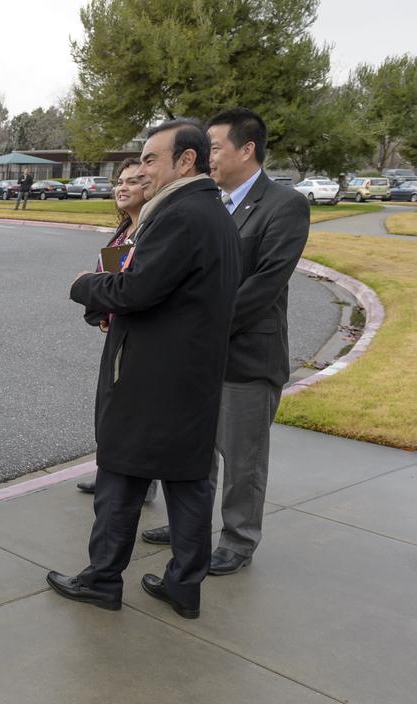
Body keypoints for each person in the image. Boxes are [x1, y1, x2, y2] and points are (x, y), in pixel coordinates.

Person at [47, 119, 240, 619]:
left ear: (186, 161)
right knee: (188, 480)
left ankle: (102, 578)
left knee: (120, 479)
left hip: (149, 377)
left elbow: (136, 289)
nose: (143, 168)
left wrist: (85, 285)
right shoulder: (210, 212)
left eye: (152, 159)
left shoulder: (180, 215)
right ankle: (184, 584)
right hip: (189, 375)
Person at [140, 109, 309, 576]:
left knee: (242, 459)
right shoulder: (208, 202)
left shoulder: (284, 205)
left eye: (213, 147)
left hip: (246, 357)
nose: (206, 157)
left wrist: (195, 326)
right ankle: (188, 526)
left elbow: (264, 284)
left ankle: (238, 539)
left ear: (247, 148)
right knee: (194, 450)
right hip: (200, 357)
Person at [74, 157, 157, 503]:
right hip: (117, 329)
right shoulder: (125, 231)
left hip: (143, 341)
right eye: (119, 182)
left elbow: (134, 286)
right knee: (110, 410)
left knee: (140, 417)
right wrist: (102, 313)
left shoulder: (152, 232)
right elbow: (109, 278)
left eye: (133, 182)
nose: (122, 188)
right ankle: (111, 471)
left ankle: (139, 484)